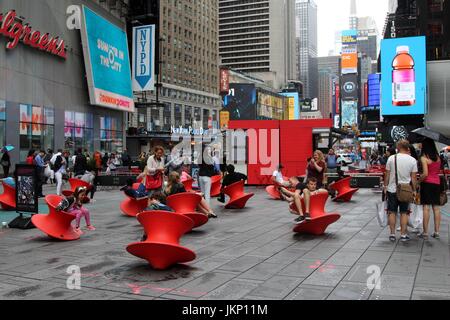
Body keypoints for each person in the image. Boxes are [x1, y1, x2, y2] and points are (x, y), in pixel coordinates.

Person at [384, 140, 418, 242]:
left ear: (398, 147)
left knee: (392, 212)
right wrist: (414, 190)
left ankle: (392, 234)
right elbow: (414, 178)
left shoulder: (391, 158)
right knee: (404, 212)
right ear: (407, 147)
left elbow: (387, 174)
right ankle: (403, 235)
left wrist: (385, 186)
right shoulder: (412, 160)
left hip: (392, 189)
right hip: (406, 190)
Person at [418, 138, 442, 240]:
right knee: (436, 208)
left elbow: (425, 174)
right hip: (437, 183)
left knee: (426, 208)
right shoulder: (438, 158)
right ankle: (436, 232)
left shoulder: (424, 158)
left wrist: (419, 181)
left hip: (427, 184)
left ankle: (426, 232)